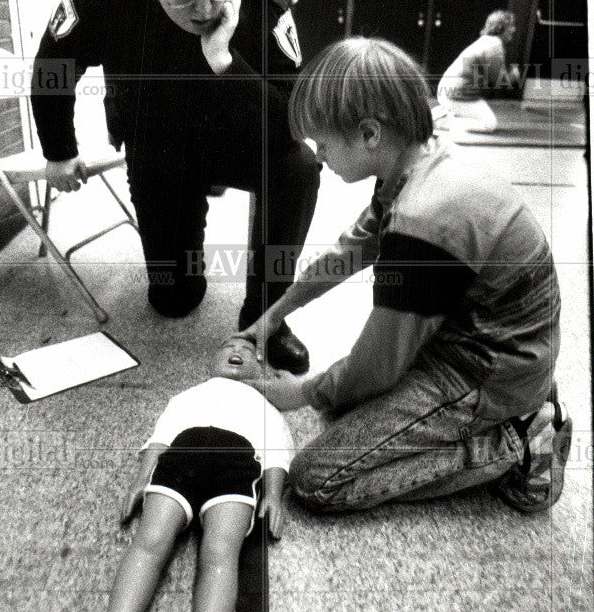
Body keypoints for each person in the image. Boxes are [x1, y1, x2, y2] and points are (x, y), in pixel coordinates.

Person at [241, 37, 573, 516]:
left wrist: (297, 392)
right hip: (482, 338)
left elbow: (379, 366)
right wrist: (272, 316)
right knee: (341, 402)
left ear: (369, 134)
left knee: (316, 481)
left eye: (322, 142)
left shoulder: (424, 220)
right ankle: (518, 409)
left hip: (488, 371)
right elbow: (348, 252)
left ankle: (517, 440)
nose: (318, 156)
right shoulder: (418, 160)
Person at [31, 0, 320, 374]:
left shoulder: (266, 0)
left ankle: (267, 313)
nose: (207, 7)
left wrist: (226, 62)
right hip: (158, 144)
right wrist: (59, 150)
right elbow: (53, 66)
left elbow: (295, 117)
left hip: (239, 137)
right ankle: (180, 271)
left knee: (297, 168)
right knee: (173, 298)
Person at [78, 335, 291, 612]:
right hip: (180, 458)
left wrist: (273, 493)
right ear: (210, 361)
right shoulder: (186, 396)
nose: (237, 352)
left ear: (264, 371)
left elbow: (276, 448)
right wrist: (141, 478)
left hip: (237, 464)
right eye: (226, 346)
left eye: (249, 353)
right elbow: (161, 437)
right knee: (149, 541)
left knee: (221, 553)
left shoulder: (265, 403)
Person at [435, 9, 521, 133]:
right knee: (489, 124)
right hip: (456, 95)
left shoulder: (485, 41)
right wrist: (514, 75)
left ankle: (442, 113)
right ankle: (442, 121)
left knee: (477, 115)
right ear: (501, 27)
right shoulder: (494, 44)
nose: (513, 30)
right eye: (511, 26)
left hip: (448, 92)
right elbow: (500, 82)